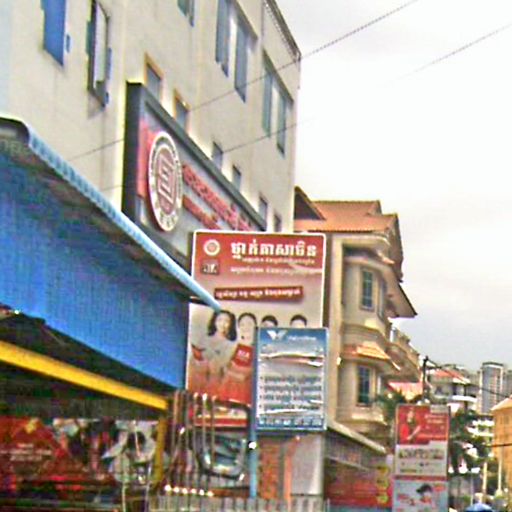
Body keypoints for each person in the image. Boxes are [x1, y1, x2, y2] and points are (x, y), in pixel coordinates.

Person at [189, 310, 237, 394]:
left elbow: (222, 364)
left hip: (216, 382)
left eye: (226, 321)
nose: (222, 324)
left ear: (230, 325)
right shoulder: (205, 339)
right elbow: (193, 359)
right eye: (219, 320)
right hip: (197, 379)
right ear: (214, 321)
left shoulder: (230, 345)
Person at [221, 312, 257, 404]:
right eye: (242, 324)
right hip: (228, 391)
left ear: (255, 326)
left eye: (249, 324)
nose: (246, 327)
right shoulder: (234, 346)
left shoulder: (259, 348)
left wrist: (230, 373)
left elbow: (244, 376)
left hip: (247, 393)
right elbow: (225, 367)